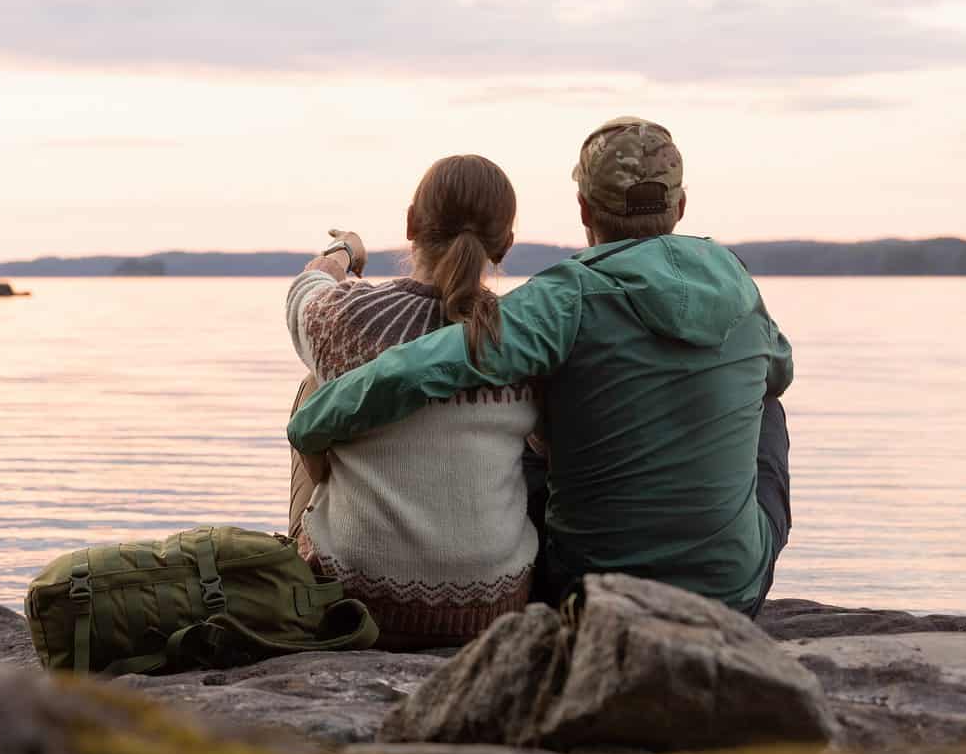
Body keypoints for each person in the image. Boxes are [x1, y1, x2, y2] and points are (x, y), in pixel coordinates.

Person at [288, 118, 792, 617]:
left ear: (584, 208)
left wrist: (313, 418)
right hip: (732, 593)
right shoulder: (739, 286)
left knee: (541, 397)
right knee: (765, 400)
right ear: (680, 206)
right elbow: (781, 370)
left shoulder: (564, 299)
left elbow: (417, 369)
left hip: (588, 590)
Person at [284, 154, 540, 647]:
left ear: (410, 224)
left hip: (355, 599)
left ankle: (306, 554)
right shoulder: (525, 338)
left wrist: (343, 252)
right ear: (504, 245)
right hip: (494, 605)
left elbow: (305, 289)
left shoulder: (348, 317)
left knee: (316, 387)